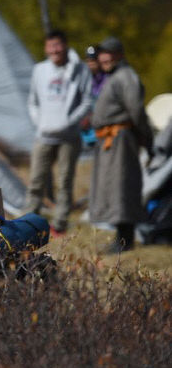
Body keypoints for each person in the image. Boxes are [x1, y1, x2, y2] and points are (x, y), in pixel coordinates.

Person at [89, 36, 154, 253]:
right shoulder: (114, 77)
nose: (104, 58)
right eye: (102, 54)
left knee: (121, 186)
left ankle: (125, 239)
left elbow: (136, 109)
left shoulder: (126, 77)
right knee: (113, 187)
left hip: (121, 138)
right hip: (110, 140)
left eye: (108, 54)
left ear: (119, 55)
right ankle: (121, 236)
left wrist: (146, 136)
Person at [26, 30, 93, 233]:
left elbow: (88, 100)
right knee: (36, 180)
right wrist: (39, 122)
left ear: (65, 46)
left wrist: (69, 121)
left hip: (69, 136)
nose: (55, 50)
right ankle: (29, 220)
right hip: (44, 134)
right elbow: (32, 101)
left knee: (65, 181)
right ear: (46, 49)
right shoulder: (40, 70)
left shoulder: (79, 70)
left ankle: (60, 223)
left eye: (58, 45)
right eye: (51, 46)